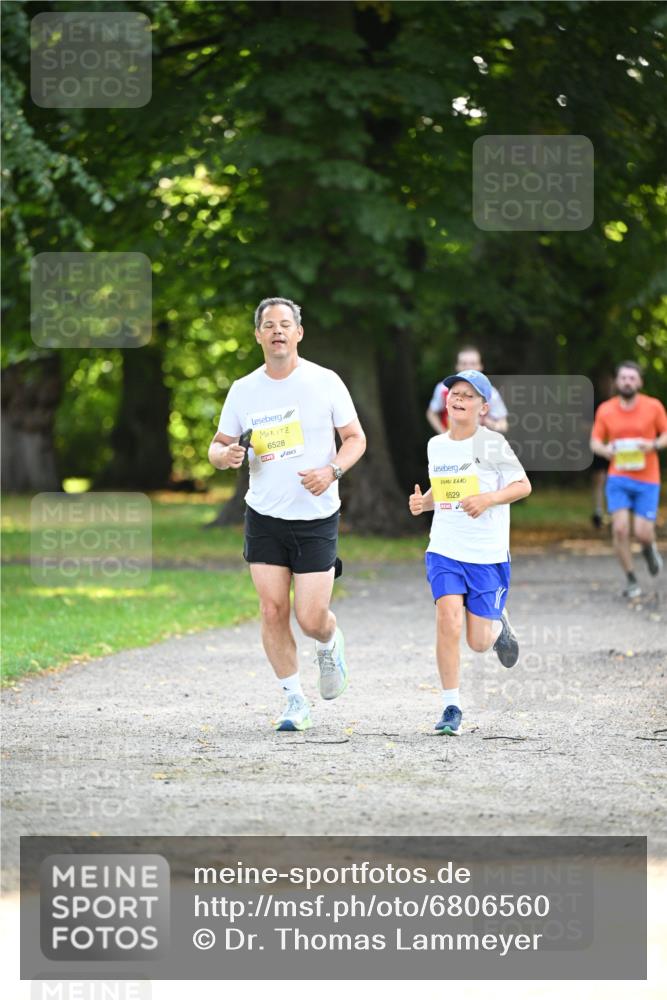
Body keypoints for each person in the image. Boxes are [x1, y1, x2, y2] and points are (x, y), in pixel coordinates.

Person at [209, 297, 366, 731]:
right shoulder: (244, 389)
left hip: (316, 515)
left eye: (285, 324)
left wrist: (332, 470)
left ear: (299, 332)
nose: (277, 331)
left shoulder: (325, 381)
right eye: (269, 325)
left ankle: (330, 642)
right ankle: (295, 700)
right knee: (273, 609)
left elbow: (355, 438)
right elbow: (216, 445)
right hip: (264, 515)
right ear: (258, 335)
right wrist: (226, 456)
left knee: (310, 618)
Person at [410, 369, 532, 736]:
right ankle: (451, 705)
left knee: (478, 642)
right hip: (445, 548)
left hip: (486, 553)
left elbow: (522, 485)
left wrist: (489, 498)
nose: (458, 399)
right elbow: (443, 488)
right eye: (454, 393)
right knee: (447, 618)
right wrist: (423, 503)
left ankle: (498, 627)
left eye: (468, 395)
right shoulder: (437, 445)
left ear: (483, 406)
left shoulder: (492, 443)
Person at [590, 361, 667, 598]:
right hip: (618, 478)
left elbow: (665, 435)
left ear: (640, 382)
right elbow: (595, 442)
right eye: (623, 378)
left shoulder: (653, 406)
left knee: (643, 532)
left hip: (648, 478)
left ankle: (648, 547)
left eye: (632, 378)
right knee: (621, 529)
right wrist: (606, 450)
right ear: (617, 381)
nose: (627, 382)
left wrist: (652, 444)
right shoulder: (606, 409)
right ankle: (631, 578)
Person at [426, 346, 508, 435]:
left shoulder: (491, 392)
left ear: (480, 366)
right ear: (457, 366)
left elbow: (503, 425)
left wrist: (488, 423)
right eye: (464, 363)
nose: (468, 367)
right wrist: (443, 435)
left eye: (473, 363)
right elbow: (431, 413)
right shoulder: (443, 389)